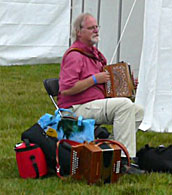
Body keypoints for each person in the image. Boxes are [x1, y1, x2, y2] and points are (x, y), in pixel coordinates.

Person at [57, 13, 144, 173]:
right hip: (76, 108)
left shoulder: (96, 56)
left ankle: (110, 151)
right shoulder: (74, 56)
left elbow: (107, 85)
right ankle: (125, 161)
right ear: (79, 32)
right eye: (91, 28)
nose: (96, 30)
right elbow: (66, 89)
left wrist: (128, 84)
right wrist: (94, 79)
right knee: (124, 106)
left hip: (93, 104)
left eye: (97, 27)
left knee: (138, 111)